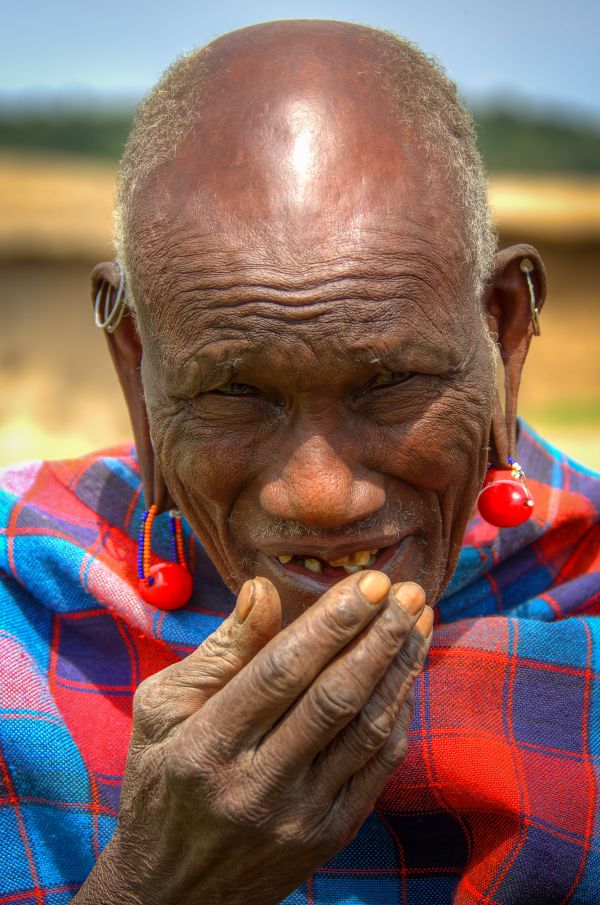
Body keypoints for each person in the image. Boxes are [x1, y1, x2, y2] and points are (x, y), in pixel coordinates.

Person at [0, 19, 598, 905]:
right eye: (233, 393)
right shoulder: (20, 615)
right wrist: (151, 885)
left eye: (392, 381)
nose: (320, 496)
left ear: (505, 333)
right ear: (137, 366)